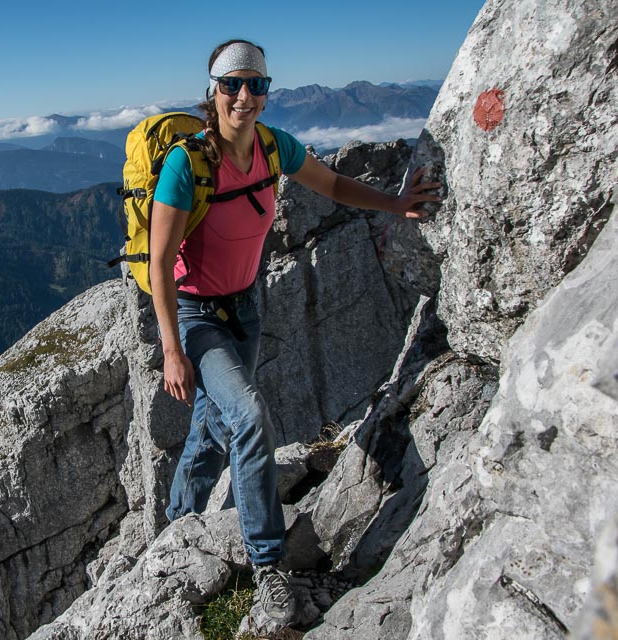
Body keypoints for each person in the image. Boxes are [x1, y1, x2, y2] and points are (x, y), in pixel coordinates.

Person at [150, 39, 440, 624]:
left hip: (246, 307)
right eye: (233, 84)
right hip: (197, 316)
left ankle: (177, 523)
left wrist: (396, 202)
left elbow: (331, 186)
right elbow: (159, 261)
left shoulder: (274, 147)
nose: (245, 96)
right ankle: (268, 567)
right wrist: (173, 350)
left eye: (257, 85)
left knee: (214, 424)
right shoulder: (189, 163)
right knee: (250, 416)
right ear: (213, 90)